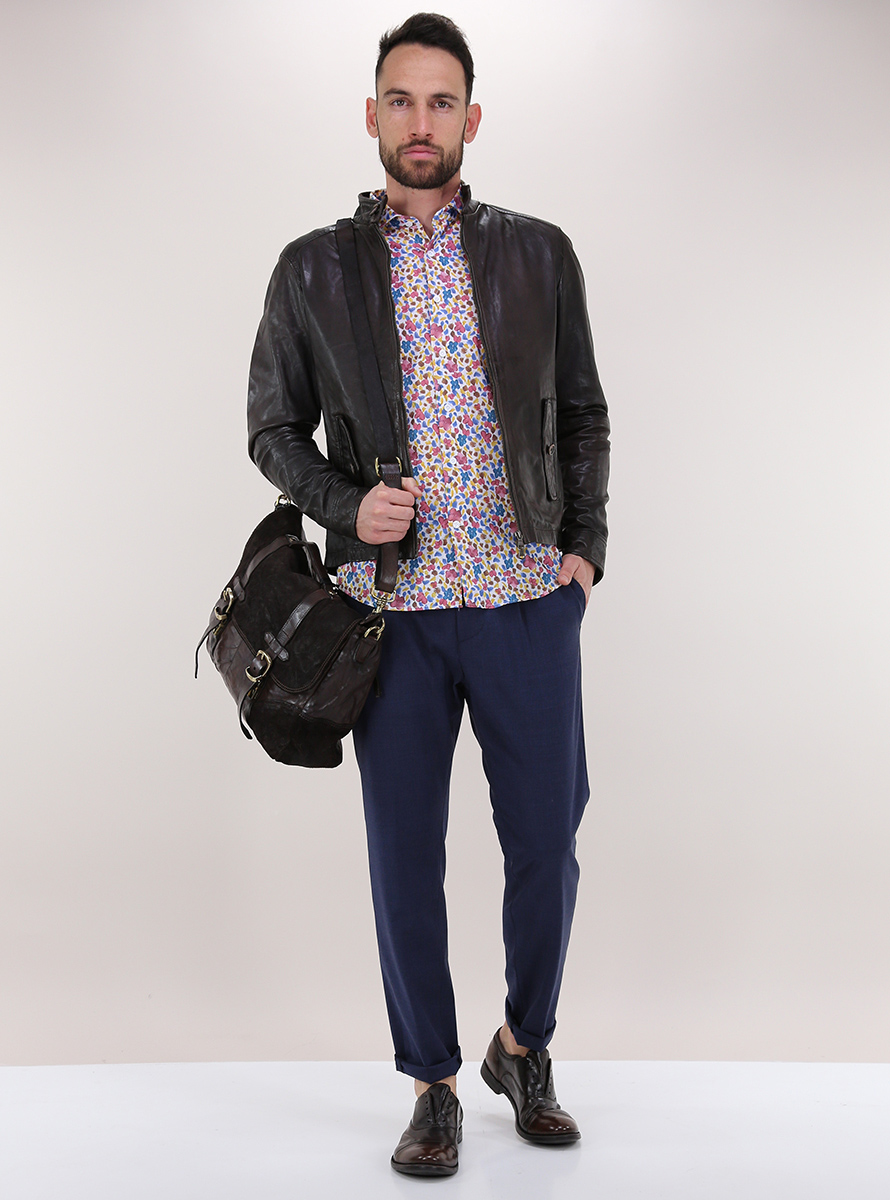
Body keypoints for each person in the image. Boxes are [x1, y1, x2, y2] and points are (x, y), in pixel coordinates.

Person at [246, 12, 610, 1178]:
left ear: (470, 118)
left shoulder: (538, 255)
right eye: (399, 100)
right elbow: (270, 428)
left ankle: (522, 1046)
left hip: (522, 596)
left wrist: (582, 550)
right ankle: (432, 1083)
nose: (419, 121)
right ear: (371, 115)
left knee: (545, 844)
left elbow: (582, 413)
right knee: (403, 856)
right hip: (389, 614)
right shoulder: (311, 270)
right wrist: (343, 503)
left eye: (439, 101)